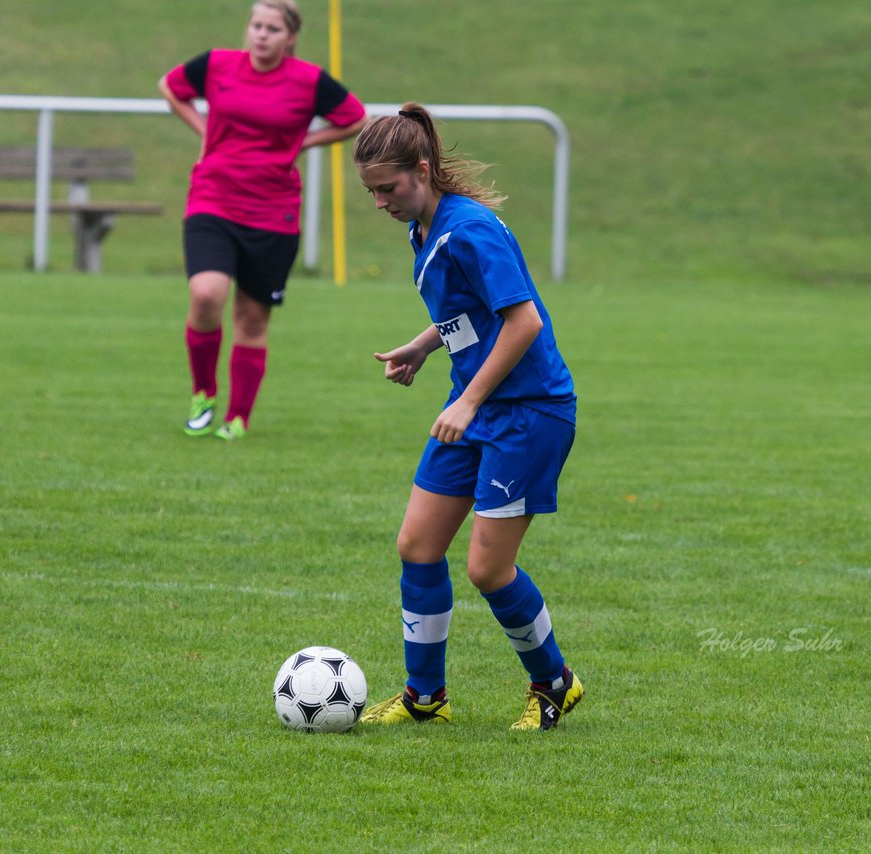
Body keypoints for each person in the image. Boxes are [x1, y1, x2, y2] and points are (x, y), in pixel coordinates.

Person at [352, 104, 583, 730]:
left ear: (422, 170)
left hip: (527, 412)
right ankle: (425, 696)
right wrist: (423, 347)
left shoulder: (471, 229)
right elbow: (470, 310)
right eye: (371, 191)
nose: (380, 202)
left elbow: (524, 319)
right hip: (478, 407)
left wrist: (469, 399)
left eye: (388, 188)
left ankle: (554, 682)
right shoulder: (424, 227)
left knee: (487, 568)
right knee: (418, 546)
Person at [159, 0, 367, 440]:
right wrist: (204, 130)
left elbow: (354, 118)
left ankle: (238, 418)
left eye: (272, 28)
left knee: (252, 319)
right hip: (213, 198)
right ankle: (203, 394)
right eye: (256, 25)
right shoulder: (217, 64)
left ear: (290, 37)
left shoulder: (308, 80)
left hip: (273, 211)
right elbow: (171, 87)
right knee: (205, 294)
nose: (261, 34)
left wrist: (304, 143)